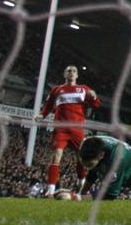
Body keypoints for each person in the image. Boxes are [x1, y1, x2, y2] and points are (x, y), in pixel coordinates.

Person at [34, 65, 101, 197]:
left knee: (81, 158)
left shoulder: (83, 89)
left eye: (74, 71)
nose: (71, 73)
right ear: (64, 74)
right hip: (61, 129)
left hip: (77, 129)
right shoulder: (57, 90)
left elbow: (96, 104)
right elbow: (47, 106)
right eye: (69, 71)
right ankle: (51, 190)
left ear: (77, 75)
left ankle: (81, 186)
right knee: (56, 156)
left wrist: (94, 96)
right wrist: (42, 115)